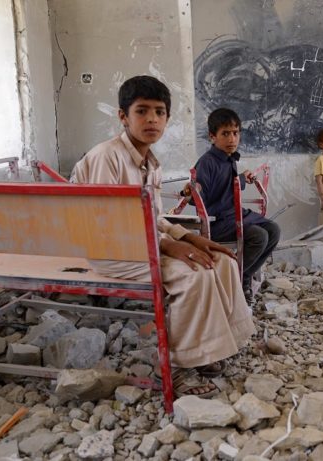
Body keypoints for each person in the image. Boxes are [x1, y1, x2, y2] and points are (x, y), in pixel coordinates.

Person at [70, 76, 256, 398]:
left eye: (159, 112)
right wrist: (170, 246)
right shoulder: (107, 157)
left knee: (222, 262)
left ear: (167, 118)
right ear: (123, 116)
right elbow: (107, 226)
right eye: (142, 111)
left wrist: (189, 237)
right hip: (110, 251)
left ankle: (213, 348)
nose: (152, 119)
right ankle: (178, 366)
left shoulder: (151, 164)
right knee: (193, 274)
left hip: (140, 243)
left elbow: (153, 217)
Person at [192, 108, 281, 302]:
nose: (232, 139)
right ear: (212, 136)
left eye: (235, 133)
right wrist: (193, 190)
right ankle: (233, 279)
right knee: (259, 236)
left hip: (234, 215)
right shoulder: (207, 162)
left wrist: (241, 177)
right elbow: (198, 196)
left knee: (273, 230)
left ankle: (244, 276)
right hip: (217, 222)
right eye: (225, 134)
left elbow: (225, 186)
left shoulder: (229, 159)